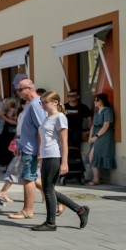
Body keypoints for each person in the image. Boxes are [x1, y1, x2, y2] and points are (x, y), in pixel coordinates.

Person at [30, 91, 90, 231]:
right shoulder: (47, 118)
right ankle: (80, 210)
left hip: (54, 156)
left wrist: (64, 162)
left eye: (45, 102)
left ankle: (51, 223)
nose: (42, 105)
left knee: (48, 189)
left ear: (55, 102)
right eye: (41, 102)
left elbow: (64, 142)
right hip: (46, 156)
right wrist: (40, 154)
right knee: (48, 189)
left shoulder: (60, 117)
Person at [7, 79, 46, 220]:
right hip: (27, 147)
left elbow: (41, 128)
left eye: (19, 90)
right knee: (32, 178)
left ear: (29, 89)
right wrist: (20, 145)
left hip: (32, 149)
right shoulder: (31, 104)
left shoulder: (36, 104)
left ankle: (27, 210)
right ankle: (58, 201)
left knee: (28, 178)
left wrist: (41, 150)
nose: (18, 93)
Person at [87, 93, 116, 185]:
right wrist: (90, 137)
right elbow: (93, 126)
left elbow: (106, 125)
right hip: (96, 134)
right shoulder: (96, 112)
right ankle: (96, 178)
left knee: (92, 155)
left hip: (105, 134)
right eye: (94, 100)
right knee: (91, 155)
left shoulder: (107, 111)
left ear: (102, 101)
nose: (95, 102)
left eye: (97, 100)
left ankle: (96, 179)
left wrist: (96, 137)